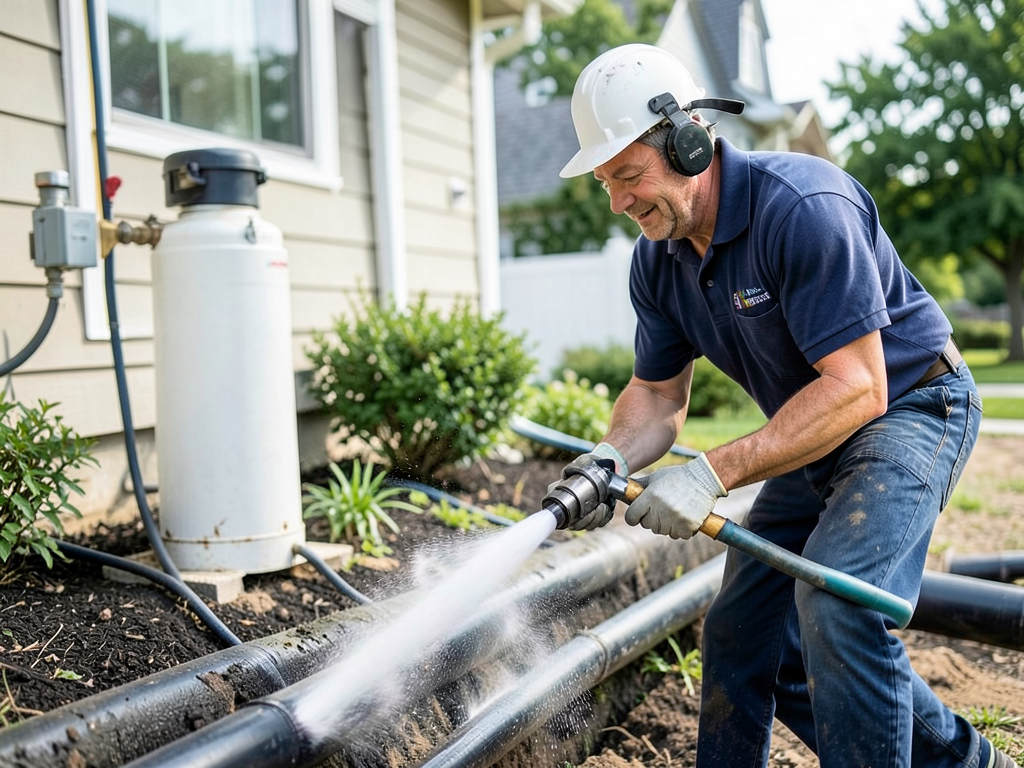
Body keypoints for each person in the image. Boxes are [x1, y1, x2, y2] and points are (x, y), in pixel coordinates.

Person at [551, 43, 1005, 768]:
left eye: (630, 175)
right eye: (605, 182)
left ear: (688, 141)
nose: (618, 202)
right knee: (745, 633)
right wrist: (610, 456)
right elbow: (659, 395)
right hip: (819, 424)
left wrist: (709, 475)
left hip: (914, 408)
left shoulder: (802, 206)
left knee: (841, 603)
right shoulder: (659, 260)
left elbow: (861, 385)